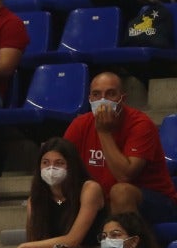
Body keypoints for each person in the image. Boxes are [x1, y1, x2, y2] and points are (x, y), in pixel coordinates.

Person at [63, 69, 177, 226]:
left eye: (110, 94)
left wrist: (103, 132)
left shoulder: (141, 124)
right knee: (41, 198)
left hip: (155, 201)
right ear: (89, 99)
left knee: (121, 192)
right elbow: (61, 162)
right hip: (101, 199)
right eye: (96, 95)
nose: (102, 101)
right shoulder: (80, 125)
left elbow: (125, 176)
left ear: (122, 98)